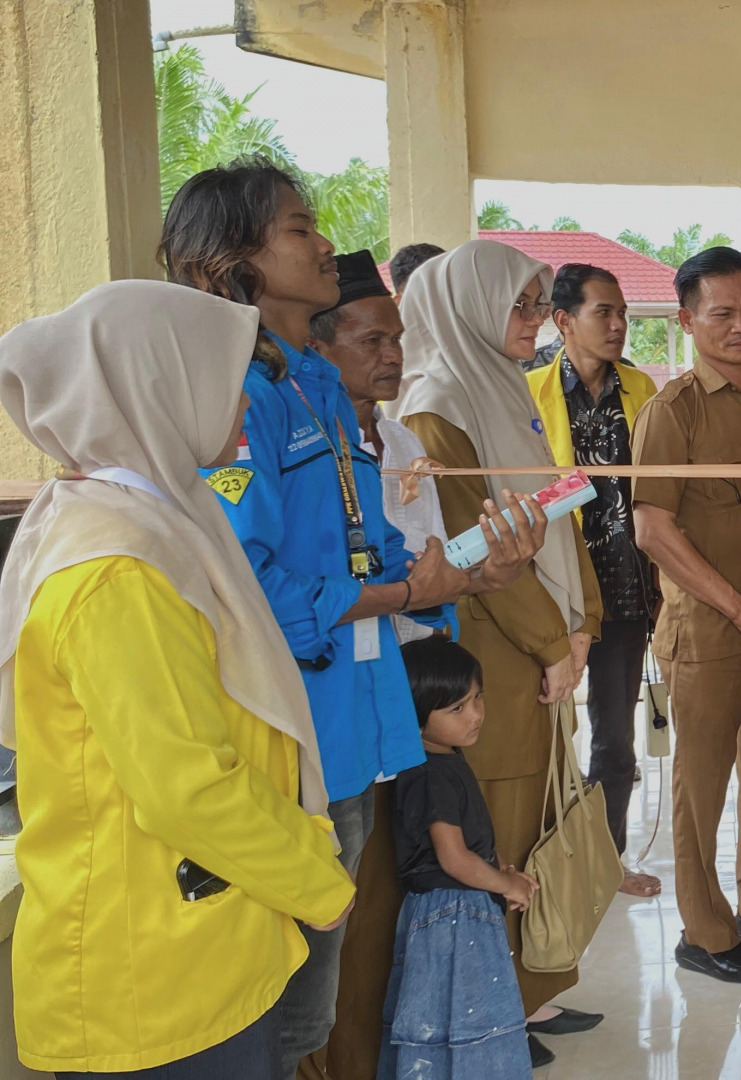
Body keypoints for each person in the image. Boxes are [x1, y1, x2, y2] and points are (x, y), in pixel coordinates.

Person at [161, 160, 473, 1079]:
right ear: (236, 261)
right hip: (287, 722)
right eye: (300, 229)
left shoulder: (315, 386)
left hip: (351, 713)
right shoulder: (234, 401)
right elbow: (240, 574)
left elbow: (356, 536)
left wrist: (433, 573)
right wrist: (386, 596)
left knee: (315, 978)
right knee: (282, 996)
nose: (326, 243)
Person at [0, 281, 356, 1076]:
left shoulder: (148, 519)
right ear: (161, 384)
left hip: (199, 938)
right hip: (155, 978)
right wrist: (318, 877)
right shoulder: (116, 569)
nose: (240, 399)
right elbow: (186, 787)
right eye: (223, 376)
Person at [307, 249, 547, 1080]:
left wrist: (487, 572)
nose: (391, 355)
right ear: (319, 344)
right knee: (343, 908)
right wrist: (422, 586)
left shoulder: (401, 437)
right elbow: (331, 583)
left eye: (396, 337)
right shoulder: (304, 444)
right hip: (336, 701)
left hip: (404, 701)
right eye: (370, 339)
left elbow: (428, 570)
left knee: (389, 902)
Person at [397, 239, 606, 1068]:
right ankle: (493, 1007)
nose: (536, 322)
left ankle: (530, 989)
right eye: (520, 306)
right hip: (495, 649)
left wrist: (583, 619)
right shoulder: (436, 406)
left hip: (545, 643)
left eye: (539, 304)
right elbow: (472, 550)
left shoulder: (508, 393)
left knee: (540, 816)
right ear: (472, 308)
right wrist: (554, 640)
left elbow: (559, 511)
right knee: (498, 825)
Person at [631, 246, 741, 983]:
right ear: (688, 319)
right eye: (723, 313)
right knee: (700, 791)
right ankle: (704, 932)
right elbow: (653, 530)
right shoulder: (671, 413)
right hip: (708, 632)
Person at [528, 262, 662, 895]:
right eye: (602, 313)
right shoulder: (527, 393)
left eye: (623, 313)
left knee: (615, 737)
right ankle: (543, 871)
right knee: (546, 735)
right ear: (563, 321)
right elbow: (525, 495)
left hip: (628, 590)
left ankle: (607, 864)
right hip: (555, 592)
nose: (617, 325)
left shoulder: (645, 392)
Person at [381, 639, 536, 1079]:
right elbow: (452, 857)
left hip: (460, 909)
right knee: (464, 1022)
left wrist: (501, 868)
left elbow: (473, 838)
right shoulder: (429, 774)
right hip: (450, 915)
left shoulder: (445, 757)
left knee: (459, 1020)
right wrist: (508, 885)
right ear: (416, 714)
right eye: (457, 709)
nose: (476, 715)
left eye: (477, 698)